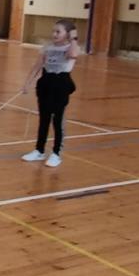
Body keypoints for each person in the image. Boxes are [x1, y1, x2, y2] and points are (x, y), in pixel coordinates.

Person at [21, 19, 81, 168]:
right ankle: (39, 150)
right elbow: (37, 65)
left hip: (61, 84)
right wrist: (27, 83)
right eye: (53, 31)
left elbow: (73, 54)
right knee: (44, 119)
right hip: (46, 83)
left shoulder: (72, 47)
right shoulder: (47, 47)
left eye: (58, 31)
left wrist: (74, 38)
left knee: (57, 120)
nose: (54, 34)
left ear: (68, 34)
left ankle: (56, 153)